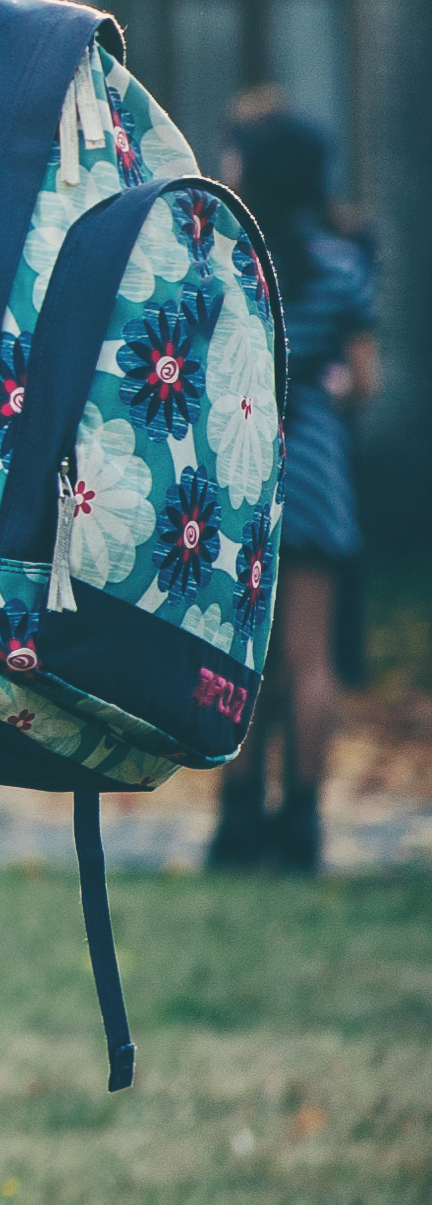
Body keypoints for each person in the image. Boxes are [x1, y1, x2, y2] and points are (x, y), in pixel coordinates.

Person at [214, 97, 384, 873]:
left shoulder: (231, 257)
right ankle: (304, 822)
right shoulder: (341, 264)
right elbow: (366, 384)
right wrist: (332, 381)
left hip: (243, 464)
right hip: (315, 467)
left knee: (245, 655)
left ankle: (237, 819)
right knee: (310, 656)